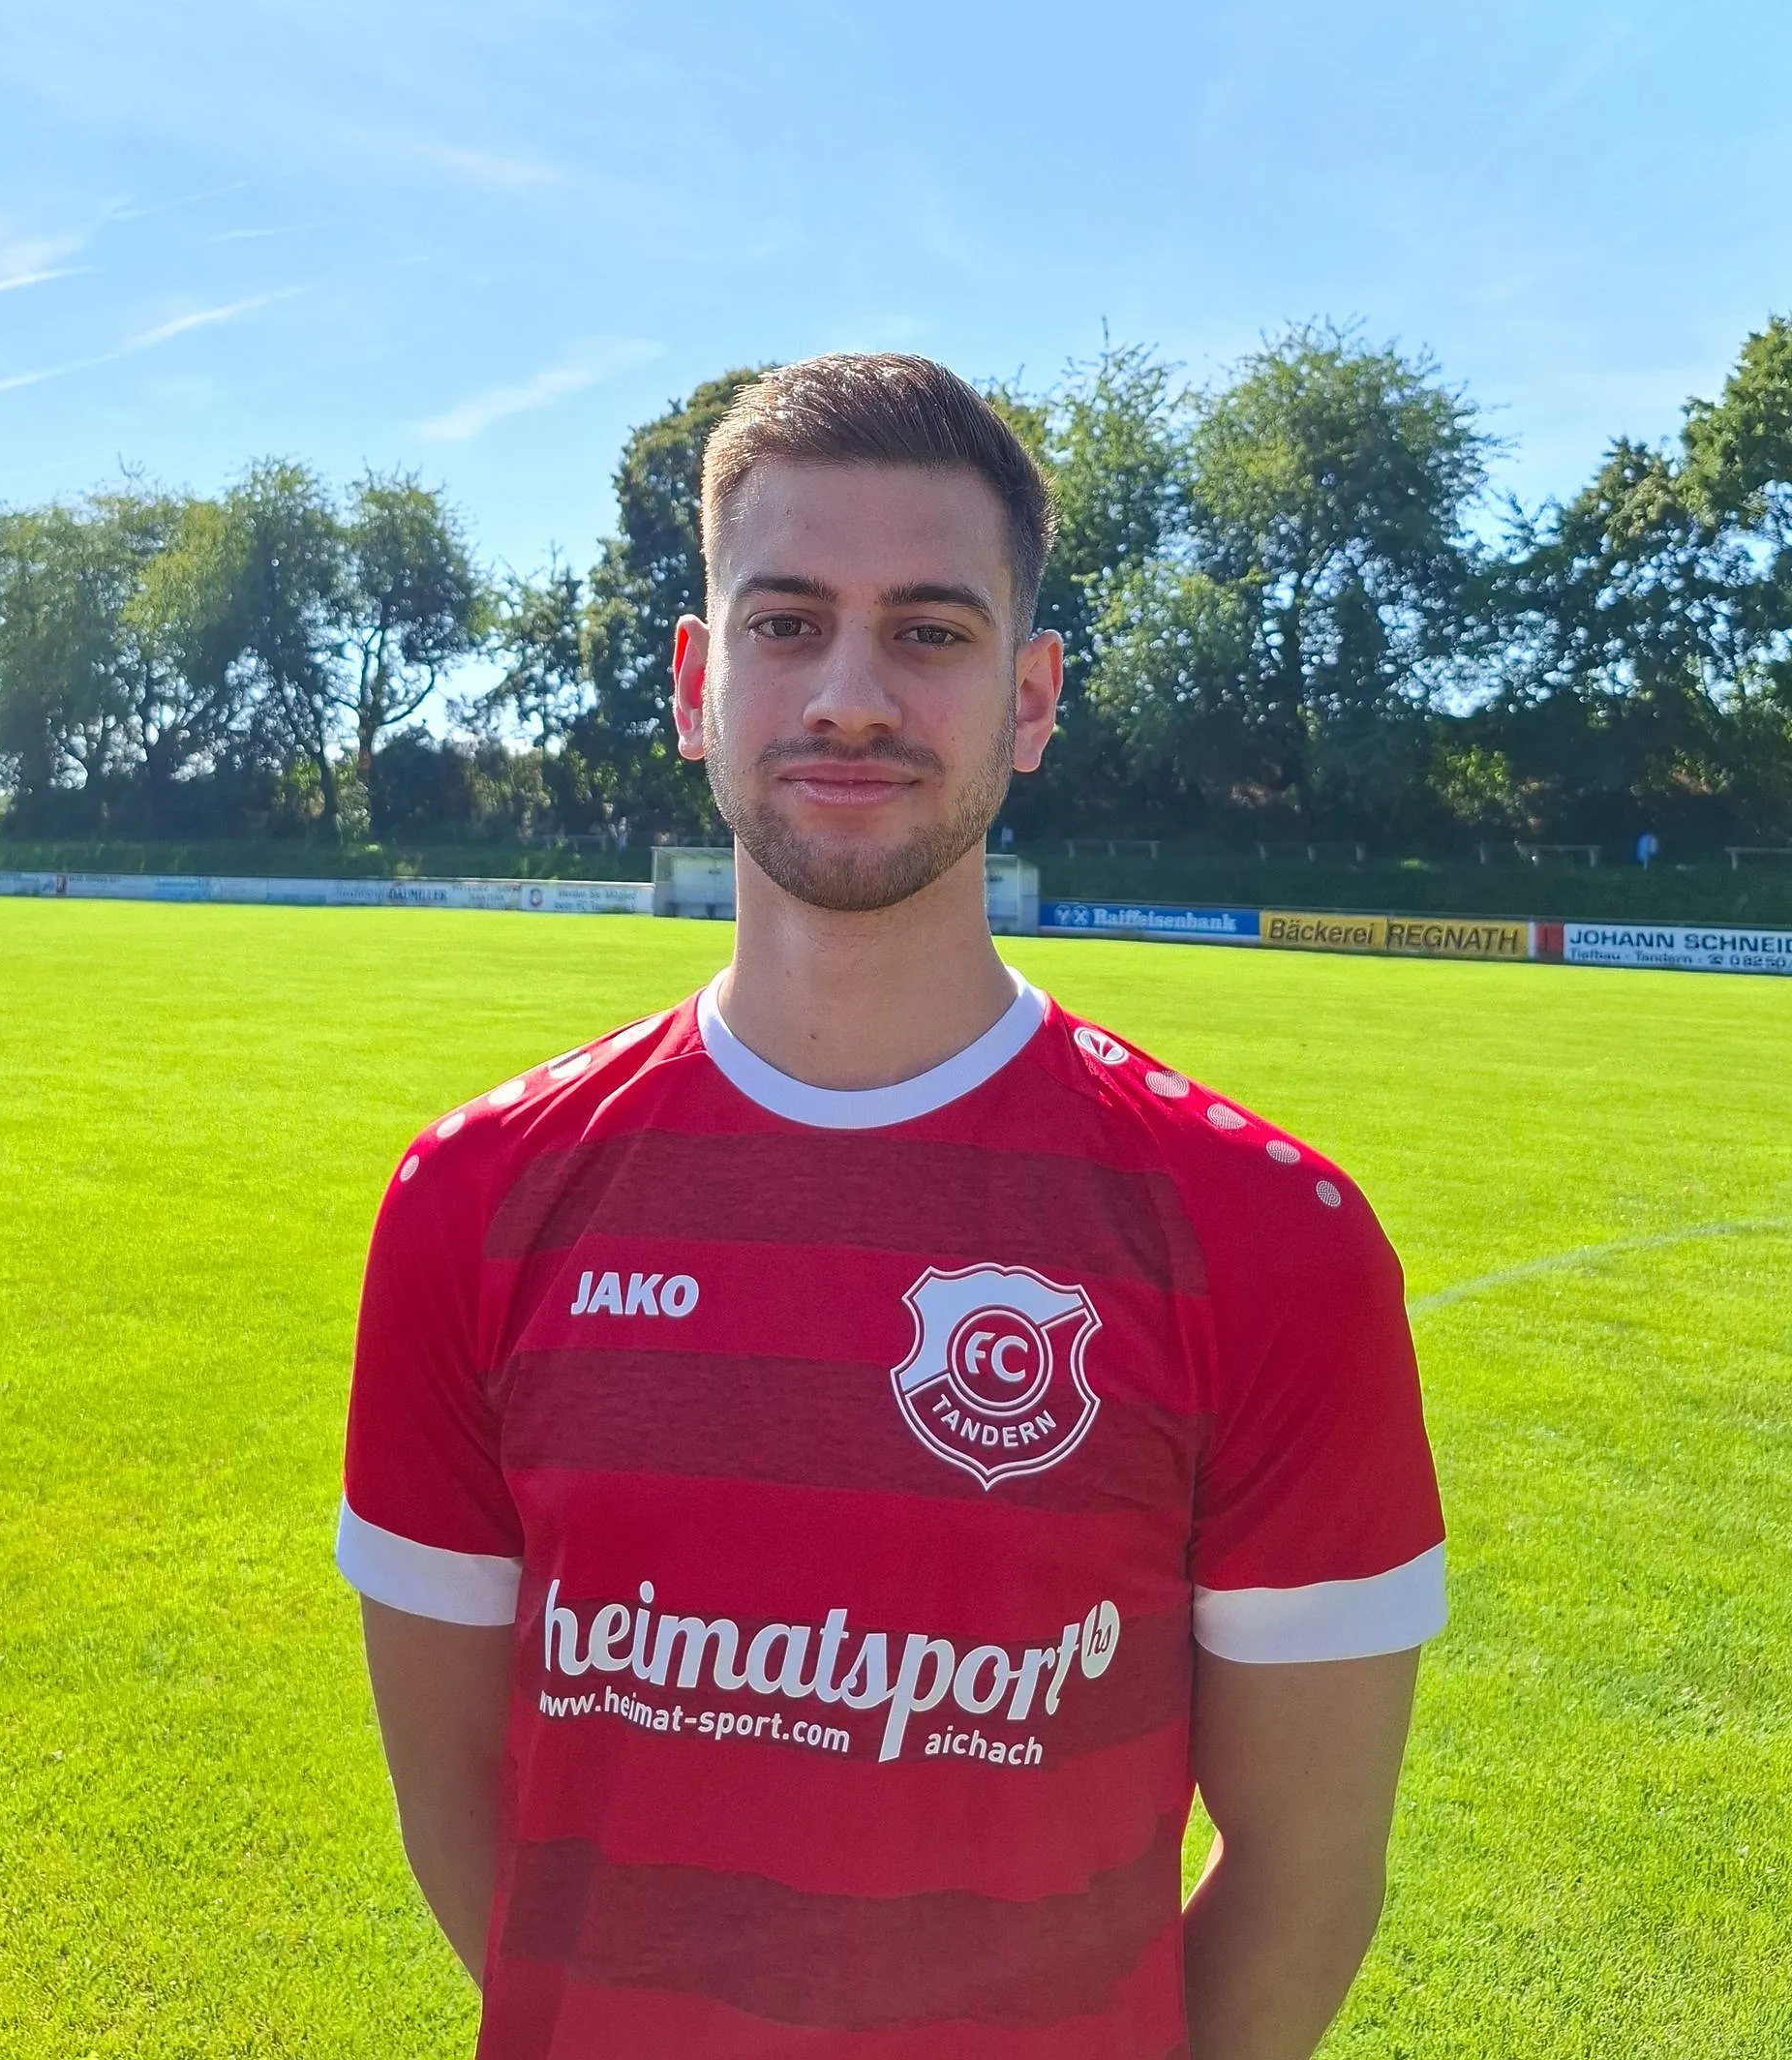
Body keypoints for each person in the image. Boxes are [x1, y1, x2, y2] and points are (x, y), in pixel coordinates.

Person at [336, 353, 1446, 2060]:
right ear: (697, 682)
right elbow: (460, 1809)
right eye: (787, 624)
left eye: (930, 632)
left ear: (1032, 698)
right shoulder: (471, 1202)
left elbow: (1307, 1880)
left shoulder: (1271, 1238)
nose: (851, 696)